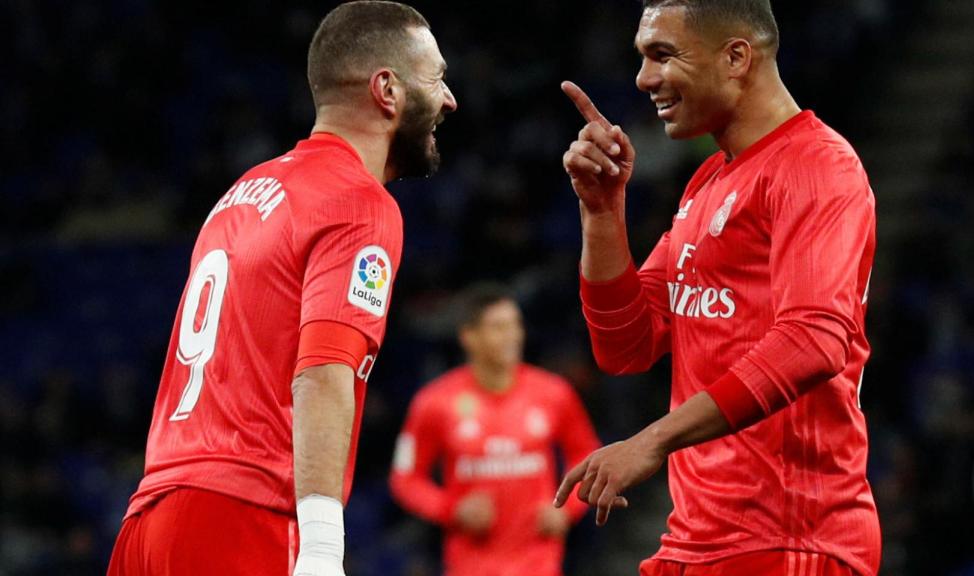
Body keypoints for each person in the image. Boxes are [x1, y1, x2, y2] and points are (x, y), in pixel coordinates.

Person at [106, 2, 457, 575]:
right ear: (387, 90)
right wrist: (322, 547)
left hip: (151, 518)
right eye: (436, 77)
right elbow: (322, 371)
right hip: (243, 517)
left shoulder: (244, 190)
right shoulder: (360, 203)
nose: (448, 99)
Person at [552, 1, 880, 575]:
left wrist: (652, 440)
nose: (643, 78)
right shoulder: (710, 179)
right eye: (642, 58)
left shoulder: (817, 166)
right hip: (697, 539)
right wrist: (602, 215)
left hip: (790, 538)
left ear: (735, 57)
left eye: (662, 55)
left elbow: (814, 339)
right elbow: (627, 344)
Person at [389, 284, 600, 576]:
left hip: (539, 562)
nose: (512, 336)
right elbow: (405, 479)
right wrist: (452, 509)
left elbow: (587, 454)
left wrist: (568, 507)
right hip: (470, 564)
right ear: (469, 336)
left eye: (515, 325)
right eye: (498, 327)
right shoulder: (434, 402)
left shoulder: (554, 393)